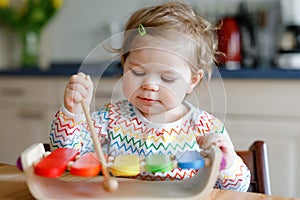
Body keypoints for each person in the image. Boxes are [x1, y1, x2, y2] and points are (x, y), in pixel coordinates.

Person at [49, 1, 250, 191]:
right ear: (124, 64)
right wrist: (72, 111)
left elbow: (238, 189)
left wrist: (227, 161)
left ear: (192, 80)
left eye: (167, 78)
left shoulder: (205, 128)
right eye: (137, 72)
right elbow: (67, 152)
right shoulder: (112, 119)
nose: (149, 86)